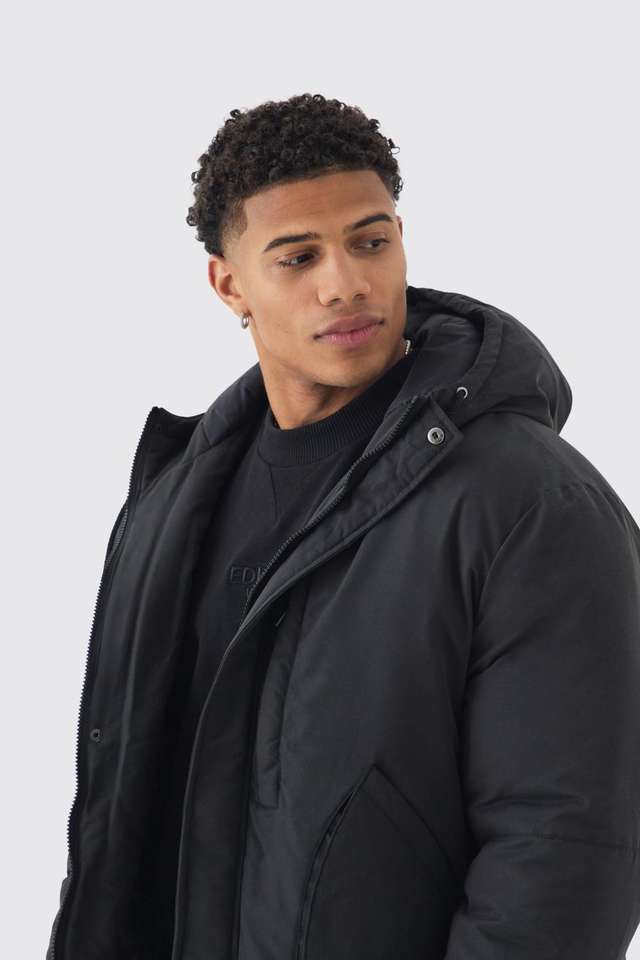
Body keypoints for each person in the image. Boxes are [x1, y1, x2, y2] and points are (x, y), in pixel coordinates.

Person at [47, 92, 640, 960]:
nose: (347, 283)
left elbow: (564, 854)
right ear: (229, 284)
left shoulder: (527, 503)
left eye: (370, 241)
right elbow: (122, 820)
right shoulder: (174, 497)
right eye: (298, 257)